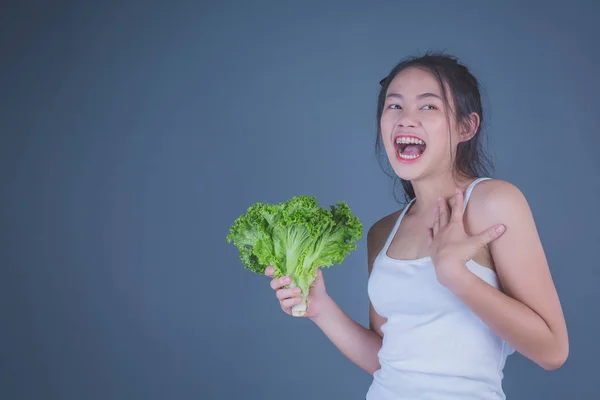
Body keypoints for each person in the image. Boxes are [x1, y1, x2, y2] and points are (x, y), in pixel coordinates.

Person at [264, 52, 569, 399]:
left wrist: (456, 276)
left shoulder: (494, 203)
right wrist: (321, 309)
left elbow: (552, 351)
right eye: (394, 107)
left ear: (465, 127)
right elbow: (389, 360)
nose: (405, 119)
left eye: (428, 107)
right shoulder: (383, 232)